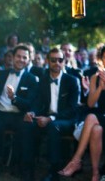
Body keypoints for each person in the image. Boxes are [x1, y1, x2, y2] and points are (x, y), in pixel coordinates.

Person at [59, 43, 105, 181]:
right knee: (96, 128)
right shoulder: (94, 78)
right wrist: (99, 88)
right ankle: (95, 173)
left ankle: (76, 161)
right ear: (100, 59)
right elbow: (91, 103)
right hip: (101, 120)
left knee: (91, 118)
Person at [23, 47, 81, 181]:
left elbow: (73, 109)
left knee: (53, 126)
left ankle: (54, 171)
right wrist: (32, 112)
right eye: (53, 60)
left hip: (66, 119)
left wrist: (50, 118)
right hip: (46, 116)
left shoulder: (72, 81)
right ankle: (28, 168)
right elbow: (37, 102)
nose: (57, 63)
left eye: (60, 60)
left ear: (64, 62)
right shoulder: (42, 80)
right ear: (47, 61)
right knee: (27, 125)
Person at [0, 45, 39, 180]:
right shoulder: (1, 74)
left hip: (19, 115)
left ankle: (23, 168)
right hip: (0, 113)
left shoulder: (32, 79)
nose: (21, 59)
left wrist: (14, 98)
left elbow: (29, 104)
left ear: (28, 59)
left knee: (29, 128)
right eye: (18, 56)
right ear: (12, 58)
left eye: (24, 57)